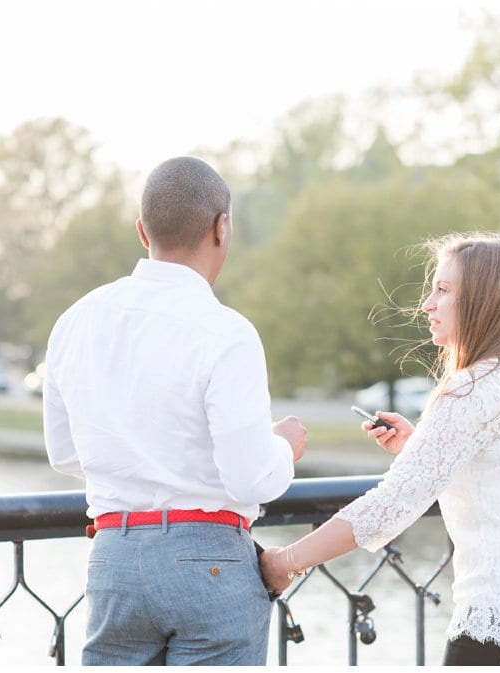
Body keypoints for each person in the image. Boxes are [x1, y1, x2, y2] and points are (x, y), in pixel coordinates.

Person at [259, 232, 500, 665]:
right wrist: (417, 447)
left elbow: (390, 507)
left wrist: (285, 561)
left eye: (442, 290)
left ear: (482, 299)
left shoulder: (467, 389)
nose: (427, 304)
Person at [43, 156, 308, 665]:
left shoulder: (76, 321)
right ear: (222, 227)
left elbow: (65, 453)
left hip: (115, 557)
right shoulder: (227, 331)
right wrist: (283, 446)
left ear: (142, 231)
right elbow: (252, 479)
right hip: (207, 560)